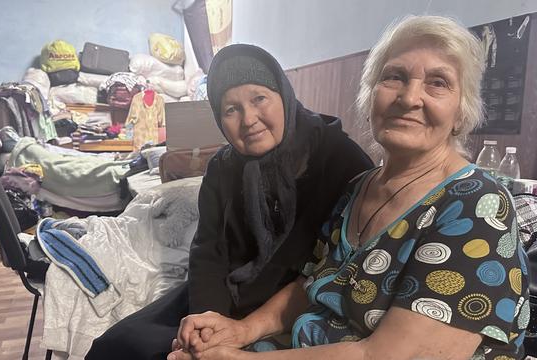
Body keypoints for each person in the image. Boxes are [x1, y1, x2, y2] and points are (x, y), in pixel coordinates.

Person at [170, 15, 529, 360]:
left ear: (462, 112)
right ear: (371, 95)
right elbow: (311, 283)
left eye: (437, 83)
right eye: (394, 77)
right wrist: (241, 332)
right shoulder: (358, 189)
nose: (408, 98)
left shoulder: (476, 207)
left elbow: (389, 355)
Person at [86, 44, 373, 359]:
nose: (249, 119)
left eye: (259, 98)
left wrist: (237, 332)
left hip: (295, 306)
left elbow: (340, 265)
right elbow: (209, 252)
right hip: (222, 296)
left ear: (284, 96)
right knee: (118, 347)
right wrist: (208, 320)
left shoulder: (340, 160)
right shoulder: (223, 168)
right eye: (231, 109)